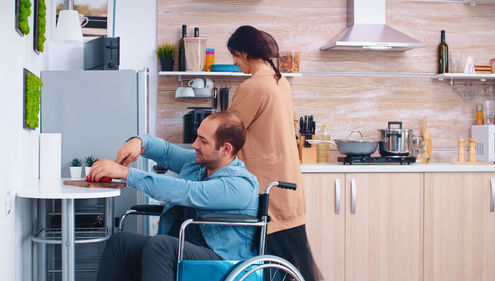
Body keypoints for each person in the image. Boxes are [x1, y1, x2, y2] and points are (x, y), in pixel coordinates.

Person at [90, 112, 260, 281]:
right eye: (197, 137)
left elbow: (187, 191)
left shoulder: (240, 185)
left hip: (224, 263)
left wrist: (125, 173)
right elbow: (166, 152)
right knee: (121, 242)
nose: (195, 144)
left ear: (226, 149)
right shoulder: (198, 164)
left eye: (203, 140)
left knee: (161, 245)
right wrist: (139, 142)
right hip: (186, 251)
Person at [226, 25, 322, 281]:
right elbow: (290, 127)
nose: (235, 63)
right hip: (287, 185)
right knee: (292, 265)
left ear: (245, 53)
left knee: (267, 268)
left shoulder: (253, 87)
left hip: (265, 187)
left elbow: (226, 135)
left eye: (235, 56)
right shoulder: (280, 81)